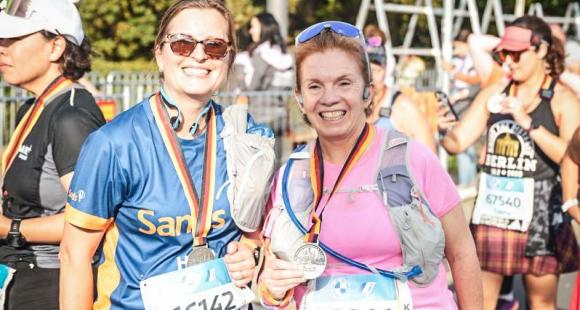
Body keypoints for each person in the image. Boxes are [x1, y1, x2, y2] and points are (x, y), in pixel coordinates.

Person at [59, 1, 273, 309]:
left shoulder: (246, 135)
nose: (199, 55)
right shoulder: (113, 143)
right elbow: (74, 255)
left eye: (214, 46)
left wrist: (249, 251)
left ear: (228, 59)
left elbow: (256, 235)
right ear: (160, 54)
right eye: (183, 44)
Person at [258, 21, 482, 309]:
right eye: (315, 86)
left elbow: (462, 253)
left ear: (368, 92)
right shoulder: (288, 177)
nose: (329, 98)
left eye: (344, 83)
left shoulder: (414, 159)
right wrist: (272, 291)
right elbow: (269, 283)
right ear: (300, 99)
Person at [440, 16, 579, 309]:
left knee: (541, 303)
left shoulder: (562, 98)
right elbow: (458, 142)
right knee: (479, 302)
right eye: (505, 53)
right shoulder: (496, 91)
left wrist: (528, 123)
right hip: (494, 214)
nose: (510, 61)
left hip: (541, 218)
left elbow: (572, 157)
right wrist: (442, 127)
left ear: (541, 51)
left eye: (518, 53)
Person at [0, 0, 106, 309]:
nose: (2, 48)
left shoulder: (71, 116)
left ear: (56, 46)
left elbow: (92, 218)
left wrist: (11, 228)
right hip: (20, 278)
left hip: (50, 285)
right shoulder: (33, 105)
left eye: (14, 39)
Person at [365, 34, 437, 153]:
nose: (371, 77)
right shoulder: (351, 107)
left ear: (386, 69)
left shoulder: (402, 106)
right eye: (366, 70)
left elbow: (430, 160)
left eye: (377, 70)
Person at [234, 12, 293, 92]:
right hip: (279, 102)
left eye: (253, 27)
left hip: (258, 102)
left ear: (265, 28)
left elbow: (255, 83)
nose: (250, 31)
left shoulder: (260, 53)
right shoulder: (285, 55)